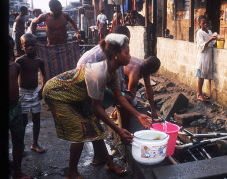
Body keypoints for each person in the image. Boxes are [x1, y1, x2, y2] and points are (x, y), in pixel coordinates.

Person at [43, 33, 150, 179]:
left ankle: (109, 163)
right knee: (80, 129)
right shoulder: (99, 73)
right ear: (116, 54)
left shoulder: (112, 72)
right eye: (127, 53)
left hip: (75, 94)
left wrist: (139, 115)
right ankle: (71, 172)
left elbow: (120, 98)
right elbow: (97, 108)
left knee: (95, 126)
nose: (130, 57)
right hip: (57, 94)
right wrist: (118, 129)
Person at [31, 0, 81, 81]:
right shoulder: (45, 17)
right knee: (50, 69)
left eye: (61, 8)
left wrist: (77, 32)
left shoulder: (65, 15)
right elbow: (33, 23)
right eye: (59, 9)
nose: (61, 10)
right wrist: (33, 35)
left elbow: (72, 22)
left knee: (67, 69)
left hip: (64, 46)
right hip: (51, 47)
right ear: (52, 10)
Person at [16, 33, 46, 154]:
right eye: (26, 46)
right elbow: (13, 75)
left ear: (36, 45)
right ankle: (21, 145)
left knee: (37, 118)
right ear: (22, 47)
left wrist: (42, 89)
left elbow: (44, 75)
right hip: (23, 93)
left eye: (32, 45)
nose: (30, 48)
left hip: (35, 92)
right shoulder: (20, 61)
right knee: (23, 121)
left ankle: (35, 143)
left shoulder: (39, 61)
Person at [9, 36, 32, 179]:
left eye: (10, 48)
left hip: (15, 107)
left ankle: (18, 172)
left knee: (18, 140)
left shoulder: (15, 66)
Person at [123, 56, 161, 122]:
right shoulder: (135, 74)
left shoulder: (145, 66)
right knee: (125, 97)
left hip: (126, 72)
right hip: (114, 73)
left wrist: (153, 110)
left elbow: (148, 88)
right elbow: (130, 96)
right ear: (150, 70)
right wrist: (136, 115)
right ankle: (120, 115)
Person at [196, 15, 217, 101]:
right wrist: (210, 40)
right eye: (203, 23)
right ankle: (199, 94)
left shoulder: (209, 31)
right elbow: (201, 46)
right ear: (199, 24)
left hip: (208, 56)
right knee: (200, 75)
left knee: (204, 74)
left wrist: (216, 40)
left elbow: (212, 44)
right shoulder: (199, 33)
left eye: (206, 23)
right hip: (202, 56)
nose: (205, 25)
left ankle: (201, 93)